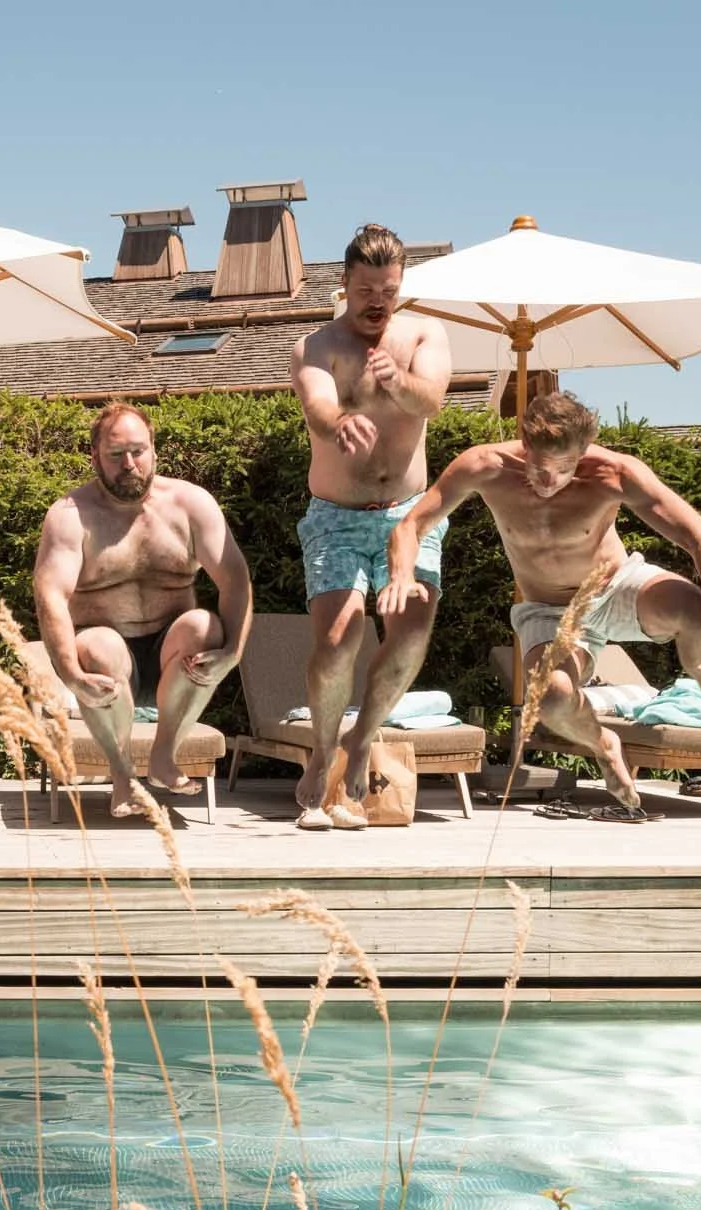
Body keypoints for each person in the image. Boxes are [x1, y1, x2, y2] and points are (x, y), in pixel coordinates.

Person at [381, 390, 701, 816]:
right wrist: (401, 574)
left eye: (564, 469)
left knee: (698, 612)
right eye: (539, 468)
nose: (549, 481)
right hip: (549, 610)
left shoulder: (615, 473)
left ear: (584, 451)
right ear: (525, 443)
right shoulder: (485, 466)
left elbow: (698, 538)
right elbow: (411, 525)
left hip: (616, 585)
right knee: (552, 699)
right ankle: (603, 743)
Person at [288, 223, 453, 829]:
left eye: (387, 289)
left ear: (400, 284)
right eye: (365, 290)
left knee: (410, 633)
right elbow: (317, 402)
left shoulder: (424, 335)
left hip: (410, 515)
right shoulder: (316, 345)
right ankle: (323, 747)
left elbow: (432, 399)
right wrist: (337, 425)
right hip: (336, 515)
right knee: (336, 640)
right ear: (344, 285)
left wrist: (397, 380)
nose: (377, 301)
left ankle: (363, 739)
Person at [34, 402, 253, 815]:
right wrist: (71, 674)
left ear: (154, 450)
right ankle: (122, 778)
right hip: (108, 662)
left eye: (138, 451)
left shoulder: (190, 505)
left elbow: (235, 579)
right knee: (98, 646)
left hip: (172, 657)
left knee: (204, 626)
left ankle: (164, 756)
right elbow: (51, 597)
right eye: (116, 455)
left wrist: (233, 654)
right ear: (95, 457)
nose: (129, 464)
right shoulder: (71, 515)